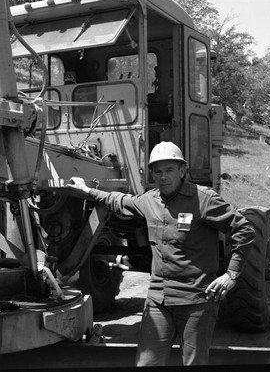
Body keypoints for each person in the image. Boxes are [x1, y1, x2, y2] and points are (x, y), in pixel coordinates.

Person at [67, 141, 255, 366]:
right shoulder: (149, 200)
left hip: (196, 301)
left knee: (194, 363)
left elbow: (244, 228)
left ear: (183, 171)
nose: (163, 176)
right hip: (158, 300)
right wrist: (87, 191)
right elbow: (118, 201)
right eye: (158, 171)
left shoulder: (204, 199)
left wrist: (231, 274)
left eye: (169, 170)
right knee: (146, 363)